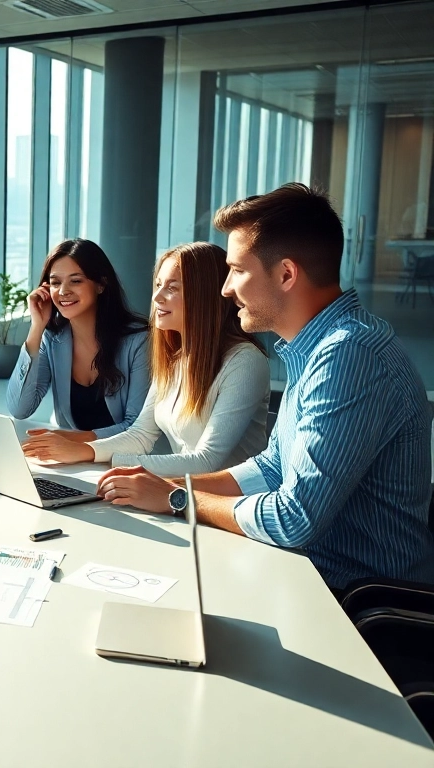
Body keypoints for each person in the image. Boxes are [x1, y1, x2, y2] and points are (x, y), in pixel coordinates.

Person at [95, 183, 434, 591]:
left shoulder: (349, 355)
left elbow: (295, 519)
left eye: (237, 270)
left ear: (286, 274)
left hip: (352, 599)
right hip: (305, 576)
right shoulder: (314, 349)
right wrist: (165, 486)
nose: (225, 288)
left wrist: (176, 500)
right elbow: (271, 467)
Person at [22, 242, 270, 475]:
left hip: (233, 500)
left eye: (172, 288)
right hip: (187, 492)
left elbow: (206, 461)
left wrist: (89, 454)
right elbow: (140, 434)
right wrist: (83, 451)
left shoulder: (245, 362)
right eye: (158, 285)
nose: (157, 297)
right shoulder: (175, 359)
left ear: (203, 295)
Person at [6, 239, 150, 442]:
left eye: (75, 281)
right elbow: (19, 409)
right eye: (55, 282)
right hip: (70, 457)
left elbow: (136, 427)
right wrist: (37, 328)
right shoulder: (52, 339)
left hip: (122, 456)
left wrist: (72, 440)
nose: (63, 291)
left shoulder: (139, 341)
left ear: (101, 284)